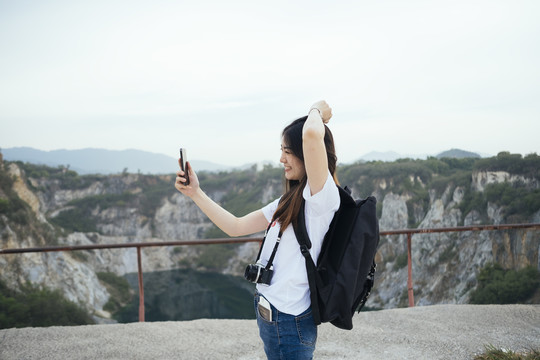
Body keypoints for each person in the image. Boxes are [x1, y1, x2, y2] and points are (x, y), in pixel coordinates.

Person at [175, 100, 340, 359]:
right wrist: (195, 193)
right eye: (281, 150)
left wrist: (317, 110)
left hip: (290, 322)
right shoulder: (289, 200)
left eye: (288, 151)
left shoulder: (322, 197)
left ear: (306, 153)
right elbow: (236, 226)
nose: (281, 159)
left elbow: (310, 134)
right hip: (270, 317)